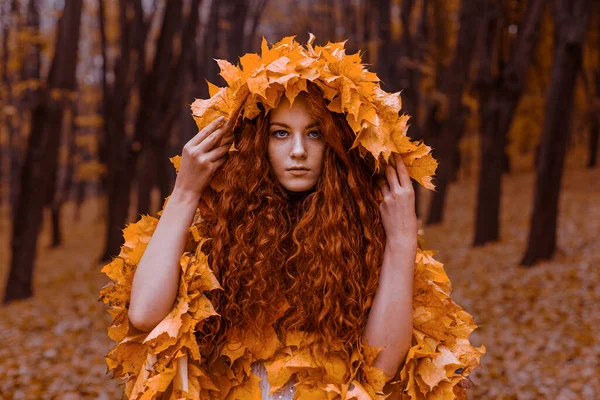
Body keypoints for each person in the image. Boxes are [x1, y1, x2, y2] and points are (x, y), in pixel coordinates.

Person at [99, 35, 485, 400]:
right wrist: (185, 192)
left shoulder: (367, 239)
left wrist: (401, 240)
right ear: (256, 143)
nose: (298, 150)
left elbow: (381, 368)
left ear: (337, 145)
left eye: (315, 134)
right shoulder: (216, 230)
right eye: (281, 134)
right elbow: (147, 314)